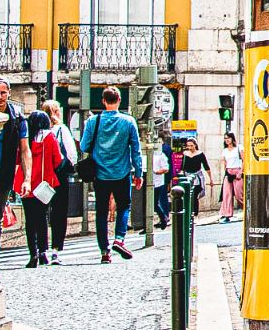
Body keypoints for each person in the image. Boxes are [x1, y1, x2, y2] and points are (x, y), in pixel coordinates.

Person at [81, 88, 142, 264]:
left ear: (103, 101)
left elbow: (84, 146)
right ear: (119, 100)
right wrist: (138, 173)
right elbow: (136, 151)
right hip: (122, 173)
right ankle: (119, 239)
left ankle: (104, 252)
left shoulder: (93, 121)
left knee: (101, 212)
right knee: (124, 206)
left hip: (100, 174)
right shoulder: (128, 121)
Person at [15, 111, 62, 268]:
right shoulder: (50, 137)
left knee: (30, 220)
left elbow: (18, 158)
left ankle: (32, 254)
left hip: (26, 182)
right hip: (44, 182)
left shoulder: (25, 138)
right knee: (42, 218)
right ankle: (43, 252)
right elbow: (58, 159)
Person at [0, 79, 31, 252]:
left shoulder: (18, 117)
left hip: (3, 175)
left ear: (9, 93)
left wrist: (27, 179)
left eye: (3, 93)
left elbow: (25, 149)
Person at [38, 100, 77, 252]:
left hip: (41, 176)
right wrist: (70, 166)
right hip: (59, 175)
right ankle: (56, 247)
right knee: (59, 212)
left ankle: (41, 248)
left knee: (41, 211)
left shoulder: (38, 131)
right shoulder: (61, 129)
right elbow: (72, 153)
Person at [180, 139, 210, 218]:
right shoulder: (185, 154)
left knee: (194, 194)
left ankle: (194, 212)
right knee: (187, 194)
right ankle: (188, 211)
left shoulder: (200, 154)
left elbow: (206, 166)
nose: (190, 147)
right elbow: (182, 167)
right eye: (188, 146)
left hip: (197, 177)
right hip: (187, 177)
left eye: (191, 145)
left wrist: (211, 179)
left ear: (195, 145)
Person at [220, 133, 244, 223]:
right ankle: (227, 214)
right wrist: (226, 172)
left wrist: (241, 171)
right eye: (225, 138)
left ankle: (247, 211)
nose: (227, 140)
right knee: (227, 194)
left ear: (232, 138)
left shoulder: (239, 148)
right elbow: (224, 162)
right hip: (228, 172)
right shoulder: (225, 150)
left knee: (239, 195)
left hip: (237, 171)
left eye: (228, 138)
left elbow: (244, 160)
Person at [153, 142, 175, 229]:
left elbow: (167, 167)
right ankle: (163, 218)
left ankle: (164, 217)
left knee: (159, 200)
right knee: (156, 202)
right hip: (158, 180)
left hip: (159, 181)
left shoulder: (163, 150)